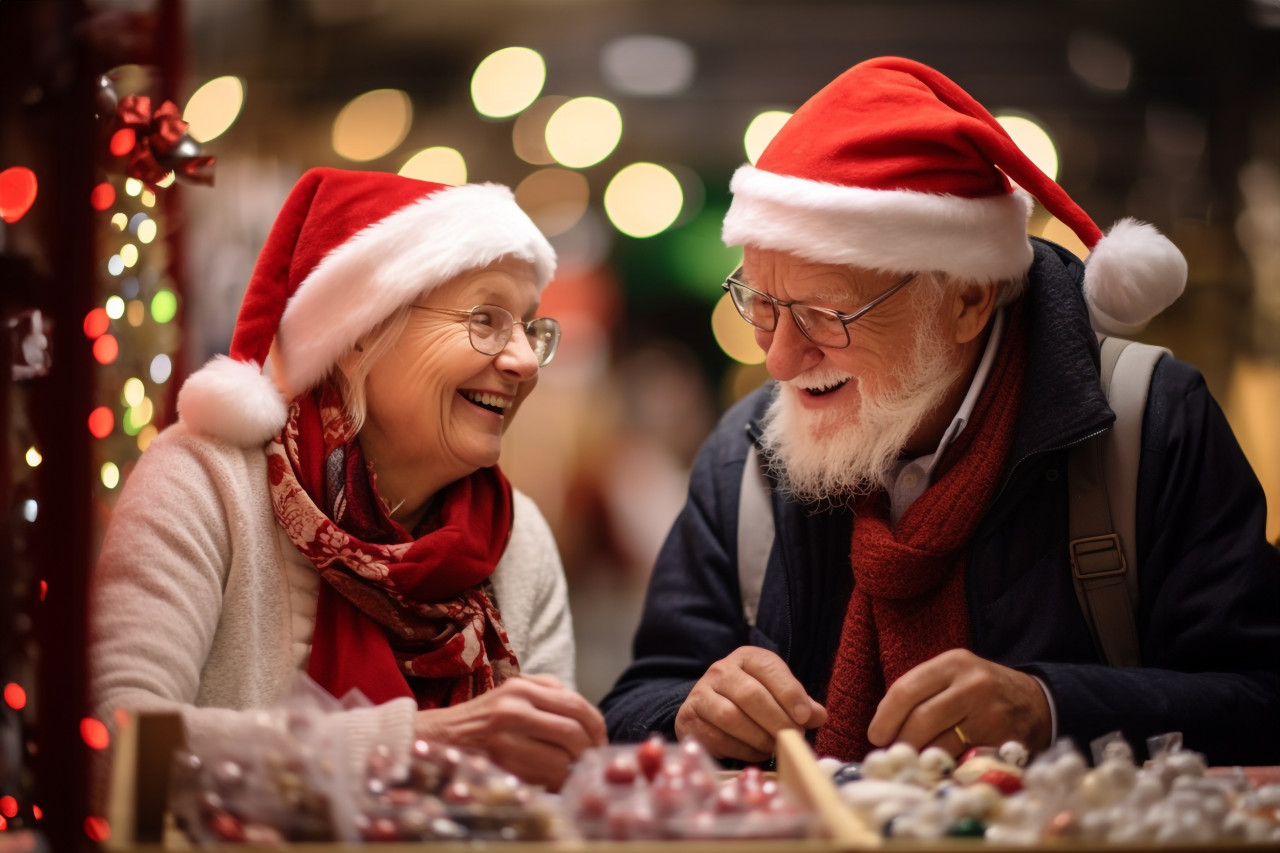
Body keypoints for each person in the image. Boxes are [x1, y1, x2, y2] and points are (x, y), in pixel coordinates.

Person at [601, 57, 1280, 767]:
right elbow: (632, 704)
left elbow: (1263, 698)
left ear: (967, 299)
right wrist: (688, 712)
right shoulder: (747, 455)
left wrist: (1050, 708)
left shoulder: (1150, 425)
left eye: (824, 316)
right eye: (763, 307)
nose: (778, 362)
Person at [90, 167, 606, 791]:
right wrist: (417, 744)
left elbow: (551, 788)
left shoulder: (515, 538)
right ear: (360, 331)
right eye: (486, 319)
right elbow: (113, 743)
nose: (523, 360)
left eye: (531, 327)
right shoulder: (207, 483)